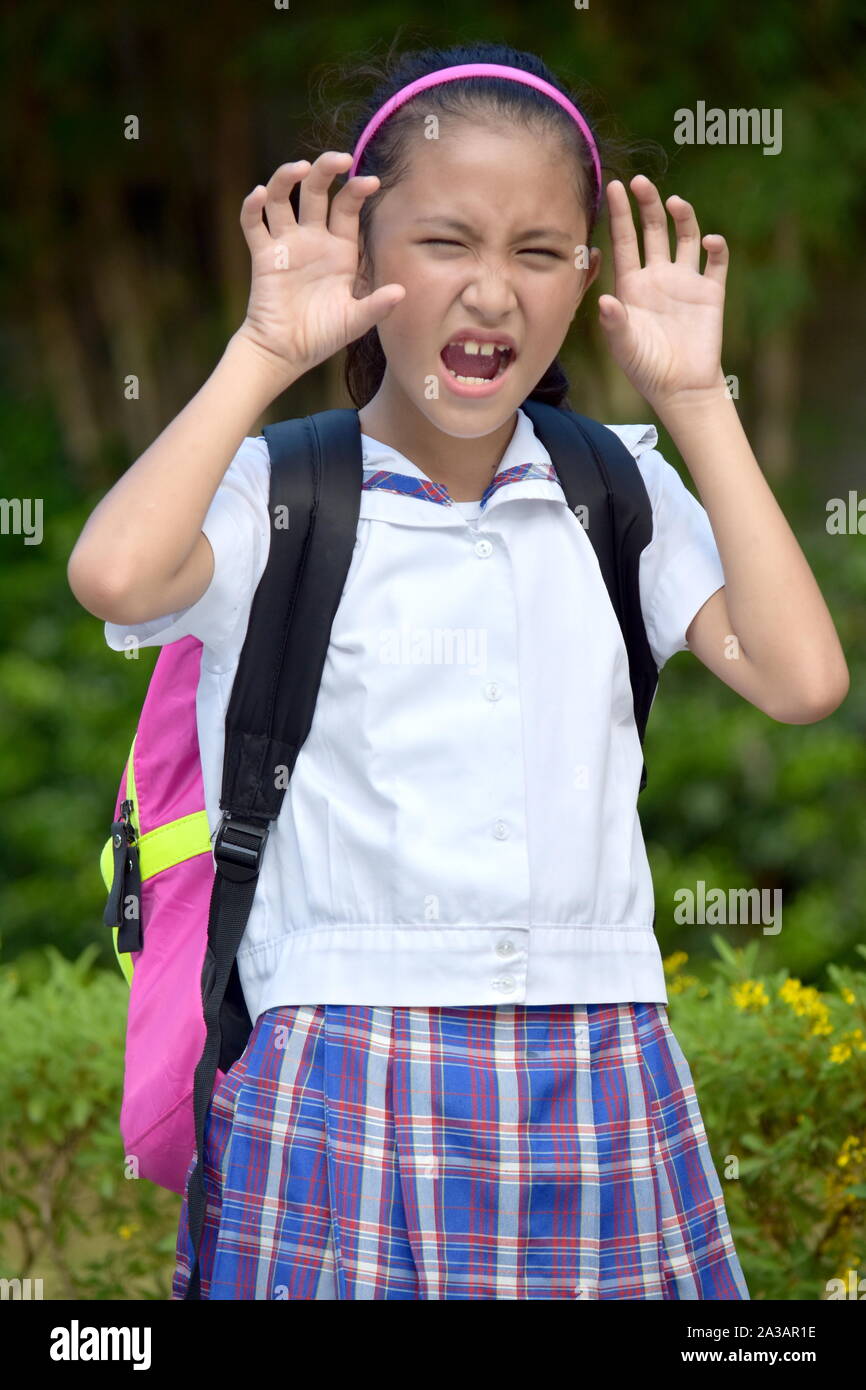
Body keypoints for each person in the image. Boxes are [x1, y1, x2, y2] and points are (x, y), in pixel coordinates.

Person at [67, 40, 849, 1300]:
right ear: (365, 255)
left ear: (584, 277)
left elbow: (801, 676)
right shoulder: (283, 489)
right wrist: (265, 349)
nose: (494, 292)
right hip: (336, 1057)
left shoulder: (616, 487)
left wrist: (698, 398)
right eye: (447, 243)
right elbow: (113, 576)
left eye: (537, 253)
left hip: (599, 1057)